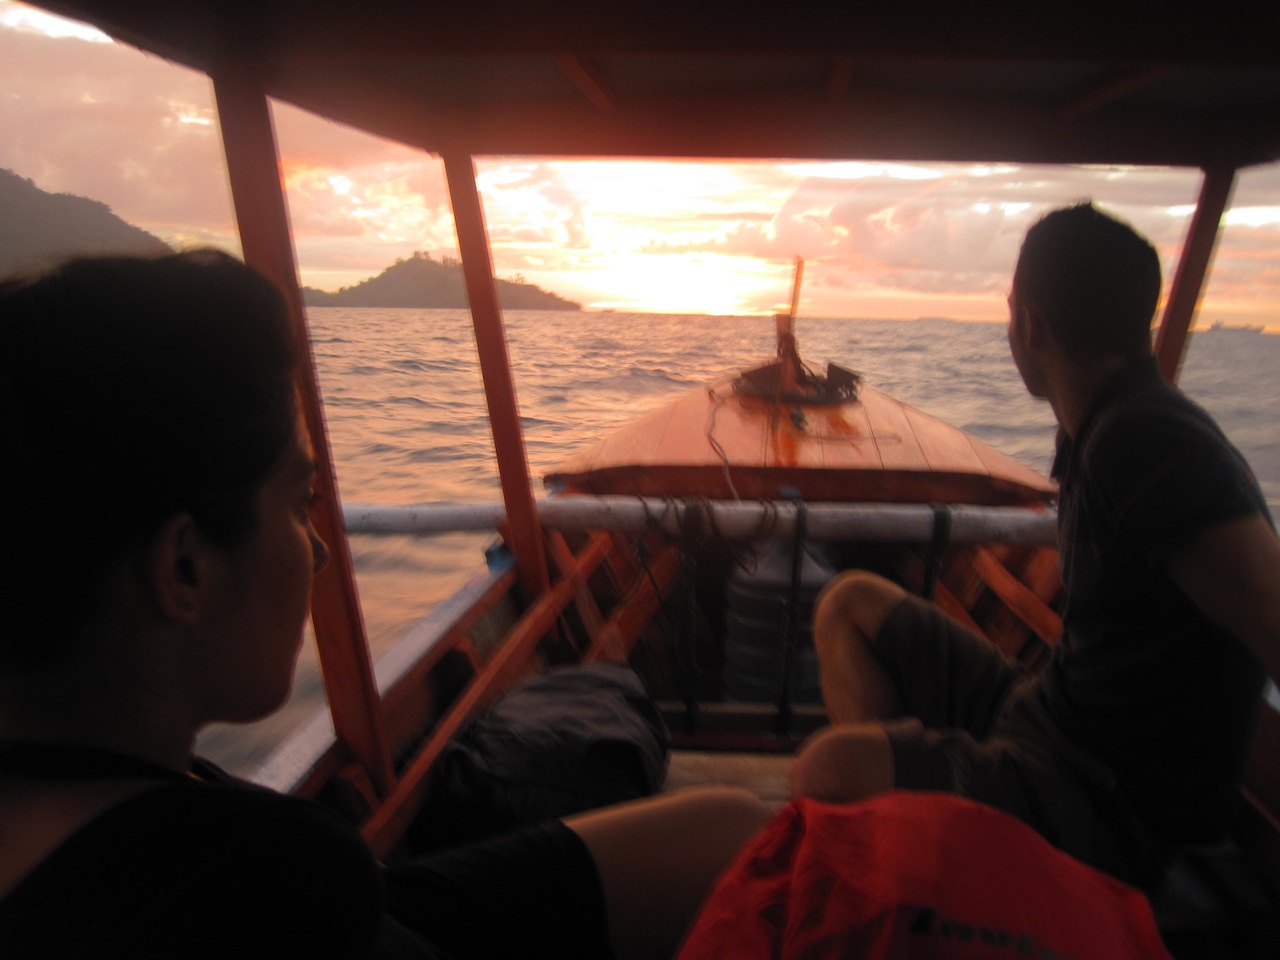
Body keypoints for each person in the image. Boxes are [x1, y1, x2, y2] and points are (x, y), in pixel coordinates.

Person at [0, 251, 773, 960]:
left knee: (734, 833)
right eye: (299, 505)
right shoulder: (257, 890)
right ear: (185, 569)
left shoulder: (105, 798)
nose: (320, 551)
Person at [791, 203, 1280, 887]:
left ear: (1031, 325)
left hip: (1108, 806)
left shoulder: (1147, 446)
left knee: (830, 768)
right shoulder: (1110, 424)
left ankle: (917, 869)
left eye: (1009, 313)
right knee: (850, 604)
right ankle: (918, 845)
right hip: (1053, 718)